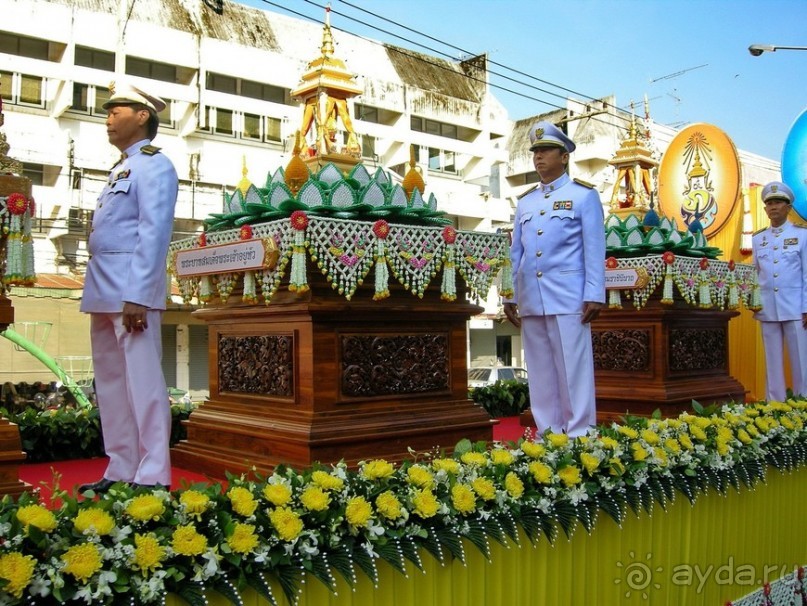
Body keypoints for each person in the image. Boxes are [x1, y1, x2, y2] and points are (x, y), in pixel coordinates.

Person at [79, 83, 178, 492]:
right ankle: (121, 467)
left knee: (143, 382)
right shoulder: (120, 169)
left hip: (131, 292)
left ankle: (153, 474)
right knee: (111, 384)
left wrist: (138, 294)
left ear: (142, 115)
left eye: (115, 111)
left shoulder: (155, 165)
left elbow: (154, 233)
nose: (108, 119)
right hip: (103, 287)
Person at [503, 121, 605, 437]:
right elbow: (516, 253)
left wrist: (594, 293)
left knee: (573, 371)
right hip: (532, 297)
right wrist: (509, 294)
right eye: (535, 151)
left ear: (564, 156)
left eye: (546, 150)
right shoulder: (525, 202)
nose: (539, 157)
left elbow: (594, 248)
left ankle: (579, 435)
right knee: (541, 373)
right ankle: (549, 435)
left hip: (569, 297)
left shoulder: (583, 196)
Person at [752, 181, 807, 402]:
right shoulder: (758, 238)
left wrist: (806, 307)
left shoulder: (802, 235)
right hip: (768, 307)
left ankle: (803, 404)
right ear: (765, 209)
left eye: (778, 203)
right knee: (772, 360)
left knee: (801, 360)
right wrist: (754, 301)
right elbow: (755, 274)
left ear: (788, 207)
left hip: (796, 308)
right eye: (770, 203)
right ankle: (774, 405)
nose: (773, 207)